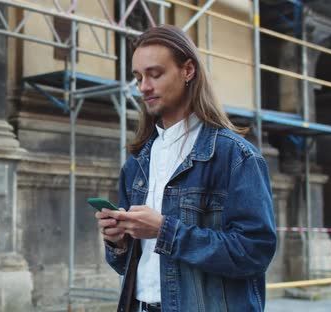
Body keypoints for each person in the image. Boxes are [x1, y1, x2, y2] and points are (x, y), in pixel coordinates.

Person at [95, 25, 277, 312]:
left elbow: (254, 252)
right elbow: (129, 265)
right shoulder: (137, 163)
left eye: (155, 74)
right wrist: (117, 242)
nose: (143, 86)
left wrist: (166, 231)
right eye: (138, 77)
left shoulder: (235, 156)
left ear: (188, 70)